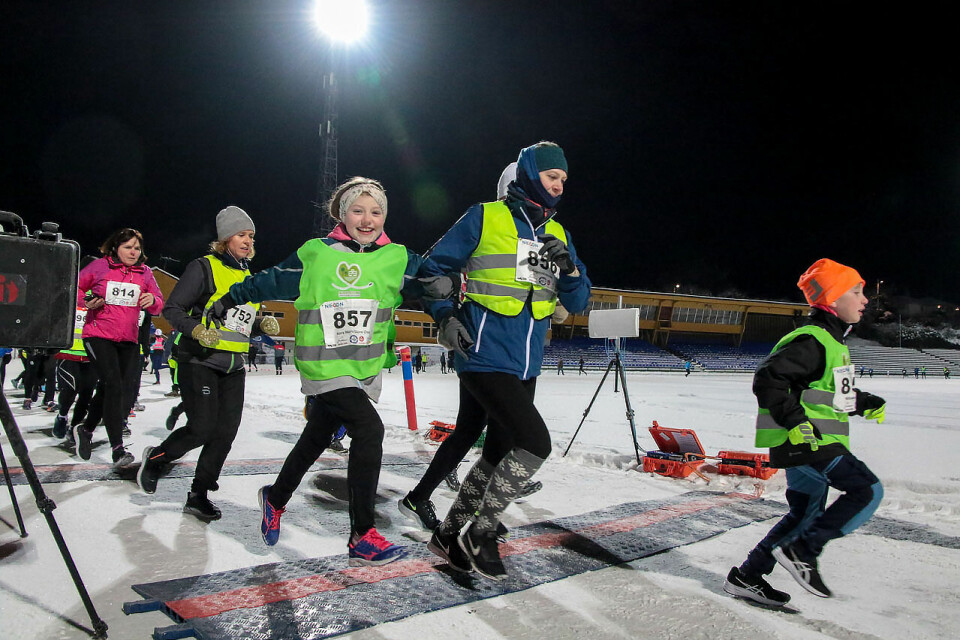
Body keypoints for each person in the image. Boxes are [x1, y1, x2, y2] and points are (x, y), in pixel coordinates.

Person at [214, 177, 451, 566]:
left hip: (363, 368)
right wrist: (231, 298)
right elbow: (271, 279)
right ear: (343, 215)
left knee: (316, 437)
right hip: (323, 363)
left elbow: (432, 285)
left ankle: (274, 498)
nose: (367, 219)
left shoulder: (399, 257)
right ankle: (362, 533)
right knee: (370, 429)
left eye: (376, 211)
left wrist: (446, 299)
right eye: (358, 210)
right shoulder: (317, 253)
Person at [417, 142, 591, 579]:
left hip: (527, 361)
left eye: (564, 180)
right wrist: (445, 316)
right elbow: (433, 268)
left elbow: (580, 299)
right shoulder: (485, 215)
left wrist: (569, 270)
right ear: (530, 173)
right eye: (553, 176)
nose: (559, 185)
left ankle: (449, 532)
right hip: (483, 351)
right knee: (535, 442)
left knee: (496, 452)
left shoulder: (561, 234)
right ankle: (482, 530)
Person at [723, 258, 886, 607]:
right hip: (807, 441)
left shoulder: (833, 342)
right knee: (867, 490)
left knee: (805, 512)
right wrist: (796, 422)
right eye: (856, 291)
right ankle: (803, 551)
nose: (865, 299)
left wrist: (865, 402)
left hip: (811, 441)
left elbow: (833, 396)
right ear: (832, 298)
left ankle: (748, 576)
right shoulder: (812, 339)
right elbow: (768, 379)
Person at [138, 206, 278, 521]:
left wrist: (261, 325)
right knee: (202, 428)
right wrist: (197, 330)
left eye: (251, 236)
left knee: (225, 433)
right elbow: (173, 309)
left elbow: (241, 321)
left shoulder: (248, 278)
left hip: (233, 366)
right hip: (199, 360)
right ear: (225, 238)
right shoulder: (203, 268)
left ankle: (198, 493)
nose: (247, 240)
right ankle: (158, 459)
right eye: (241, 234)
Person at [73, 228, 164, 468]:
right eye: (128, 247)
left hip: (128, 339)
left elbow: (158, 302)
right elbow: (76, 288)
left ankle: (86, 428)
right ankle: (117, 448)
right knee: (113, 384)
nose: (133, 252)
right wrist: (88, 300)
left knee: (112, 387)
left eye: (137, 248)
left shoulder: (145, 273)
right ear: (115, 248)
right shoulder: (100, 267)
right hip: (98, 335)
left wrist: (152, 301)